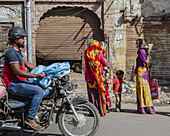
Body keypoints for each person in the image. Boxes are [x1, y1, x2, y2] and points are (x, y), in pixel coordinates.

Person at [3, 26, 46, 130]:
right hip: (13, 84)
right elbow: (17, 71)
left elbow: (27, 64)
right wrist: (35, 75)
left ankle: (30, 112)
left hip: (18, 82)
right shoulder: (11, 53)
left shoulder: (17, 51)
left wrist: (42, 71)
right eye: (22, 38)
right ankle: (30, 118)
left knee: (41, 87)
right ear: (15, 39)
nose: (23, 40)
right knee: (39, 91)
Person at [84, 40, 109, 116]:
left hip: (89, 78)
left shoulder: (86, 54)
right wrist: (106, 69)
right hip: (97, 78)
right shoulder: (98, 54)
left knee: (91, 95)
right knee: (98, 95)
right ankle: (100, 111)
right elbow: (104, 63)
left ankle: (92, 111)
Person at [135, 38, 155, 114]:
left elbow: (145, 62)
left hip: (141, 72)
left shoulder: (140, 51)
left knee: (141, 91)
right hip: (145, 72)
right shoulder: (146, 51)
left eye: (137, 43)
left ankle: (142, 108)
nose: (136, 45)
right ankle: (148, 108)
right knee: (146, 91)